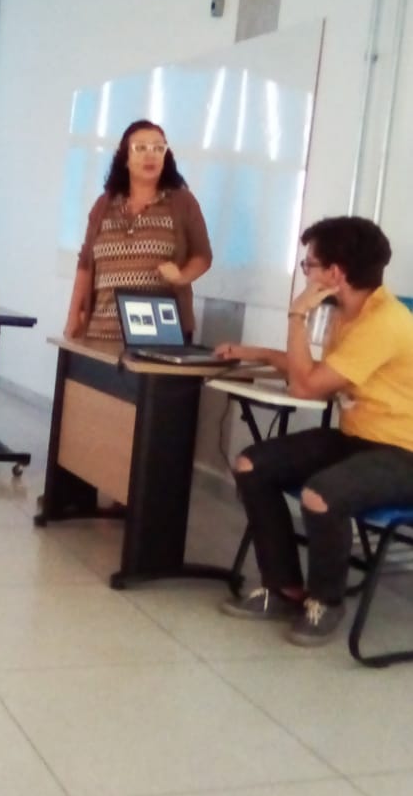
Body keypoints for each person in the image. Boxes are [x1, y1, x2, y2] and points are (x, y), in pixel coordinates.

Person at [217, 215, 413, 646]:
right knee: (252, 465)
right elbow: (322, 373)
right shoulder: (351, 312)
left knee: (321, 494)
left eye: (309, 265)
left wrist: (296, 315)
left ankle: (326, 601)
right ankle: (284, 587)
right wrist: (257, 353)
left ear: (335, 274)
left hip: (403, 454)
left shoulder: (384, 322)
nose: (305, 273)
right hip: (358, 440)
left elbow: (306, 386)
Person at [64, 119, 212, 342]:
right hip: (100, 332)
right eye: (140, 148)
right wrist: (73, 316)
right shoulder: (104, 204)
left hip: (159, 337)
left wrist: (181, 277)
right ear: (125, 157)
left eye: (158, 148)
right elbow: (85, 265)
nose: (150, 155)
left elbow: (203, 256)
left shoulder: (182, 202)